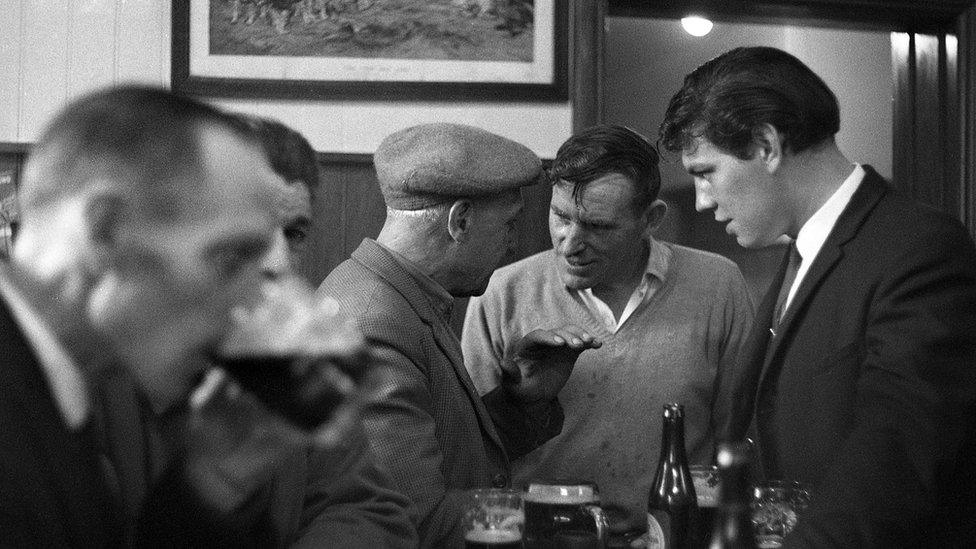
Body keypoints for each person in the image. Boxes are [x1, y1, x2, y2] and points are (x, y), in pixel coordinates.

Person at [0, 86, 357, 547]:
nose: (258, 298)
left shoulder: (53, 375)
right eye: (230, 257)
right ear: (106, 228)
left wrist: (213, 483)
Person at [659, 46, 976, 547]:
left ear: (766, 146)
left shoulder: (919, 249)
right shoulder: (800, 254)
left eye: (705, 172)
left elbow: (895, 457)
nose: (700, 200)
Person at [316, 122, 602, 548]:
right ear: (461, 221)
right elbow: (414, 519)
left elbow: (450, 453)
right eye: (510, 224)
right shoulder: (374, 324)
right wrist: (561, 513)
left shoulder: (400, 297)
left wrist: (520, 401)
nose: (513, 245)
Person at [462, 124, 754, 537]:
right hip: (541, 538)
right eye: (561, 216)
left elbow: (739, 442)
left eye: (597, 227)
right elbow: (469, 458)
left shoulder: (718, 285)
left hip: (673, 536)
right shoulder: (501, 292)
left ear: (651, 219)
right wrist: (520, 402)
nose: (569, 243)